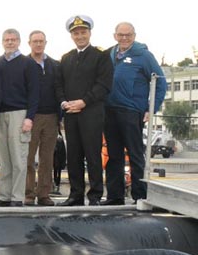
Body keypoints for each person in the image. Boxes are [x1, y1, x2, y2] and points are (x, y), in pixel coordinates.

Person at [103, 22, 167, 205]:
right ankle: (115, 196)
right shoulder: (109, 54)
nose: (124, 38)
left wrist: (151, 108)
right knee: (113, 155)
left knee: (135, 153)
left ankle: (140, 195)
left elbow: (160, 82)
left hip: (131, 111)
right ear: (115, 35)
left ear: (134, 35)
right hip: (110, 110)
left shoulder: (144, 56)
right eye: (121, 35)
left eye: (128, 35)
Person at [54, 15, 113, 206]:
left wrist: (83, 101)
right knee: (74, 156)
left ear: (89, 33)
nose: (80, 36)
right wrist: (64, 102)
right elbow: (59, 84)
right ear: (72, 36)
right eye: (76, 33)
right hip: (71, 114)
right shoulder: (66, 58)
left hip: (91, 114)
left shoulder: (101, 56)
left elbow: (103, 85)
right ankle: (75, 194)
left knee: (93, 155)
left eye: (83, 32)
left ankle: (95, 195)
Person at [0, 29, 38, 207]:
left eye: (13, 40)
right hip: (0, 115)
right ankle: (4, 196)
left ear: (19, 41)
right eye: (6, 40)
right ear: (2, 42)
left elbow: (34, 93)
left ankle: (17, 197)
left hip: (20, 113)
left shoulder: (28, 63)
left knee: (19, 158)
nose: (9, 42)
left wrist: (30, 118)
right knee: (4, 159)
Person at [24, 30, 60, 206]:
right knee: (28, 157)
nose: (38, 44)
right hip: (31, 117)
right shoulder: (23, 64)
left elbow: (60, 90)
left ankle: (44, 194)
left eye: (41, 41)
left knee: (47, 158)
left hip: (51, 116)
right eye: (35, 41)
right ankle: (28, 193)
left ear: (46, 43)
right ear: (29, 43)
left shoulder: (55, 65)